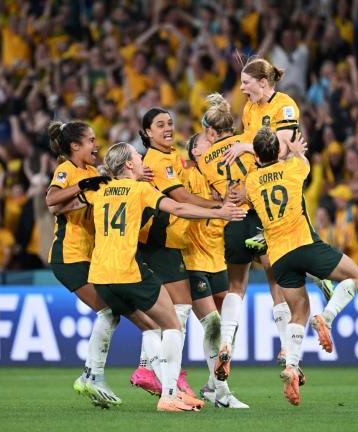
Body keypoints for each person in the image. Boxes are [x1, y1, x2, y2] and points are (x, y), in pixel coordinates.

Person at [81, 142, 245, 411]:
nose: (143, 160)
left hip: (100, 276)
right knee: (173, 324)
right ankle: (169, 394)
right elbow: (179, 209)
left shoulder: (99, 190)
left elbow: (62, 202)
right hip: (127, 271)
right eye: (138, 157)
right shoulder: (140, 189)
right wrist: (219, 212)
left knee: (150, 327)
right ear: (130, 165)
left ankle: (154, 378)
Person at [198, 87, 330, 384]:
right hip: (261, 216)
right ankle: (286, 346)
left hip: (233, 219)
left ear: (209, 132)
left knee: (236, 286)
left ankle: (226, 343)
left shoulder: (205, 161)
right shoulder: (248, 143)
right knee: (276, 279)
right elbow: (273, 158)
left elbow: (216, 192)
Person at [230, 127, 358, 406]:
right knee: (356, 276)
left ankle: (292, 366)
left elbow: (239, 196)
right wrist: (293, 149)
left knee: (299, 311)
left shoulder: (253, 182)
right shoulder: (294, 169)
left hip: (278, 258)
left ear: (257, 155)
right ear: (277, 151)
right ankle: (326, 318)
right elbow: (304, 161)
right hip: (305, 244)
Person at [44, 120, 157, 408]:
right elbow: (52, 200)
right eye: (92, 141)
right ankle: (91, 376)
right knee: (109, 312)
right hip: (69, 255)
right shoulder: (66, 170)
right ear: (75, 146)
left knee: (112, 314)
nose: (97, 146)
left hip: (90, 256)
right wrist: (82, 188)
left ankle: (93, 378)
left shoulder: (92, 172)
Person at [132, 108, 223, 398]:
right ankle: (165, 375)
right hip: (159, 242)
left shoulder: (169, 156)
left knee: (166, 314)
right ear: (147, 133)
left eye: (170, 123)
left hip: (167, 242)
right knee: (178, 312)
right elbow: (181, 199)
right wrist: (217, 207)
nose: (168, 128)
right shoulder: (157, 160)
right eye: (160, 125)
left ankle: (152, 367)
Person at [180, 131, 248, 408]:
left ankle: (210, 385)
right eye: (207, 143)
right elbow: (181, 201)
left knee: (228, 329)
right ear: (196, 152)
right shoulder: (187, 177)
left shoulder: (227, 178)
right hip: (193, 260)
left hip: (219, 260)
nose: (215, 146)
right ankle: (222, 393)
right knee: (212, 324)